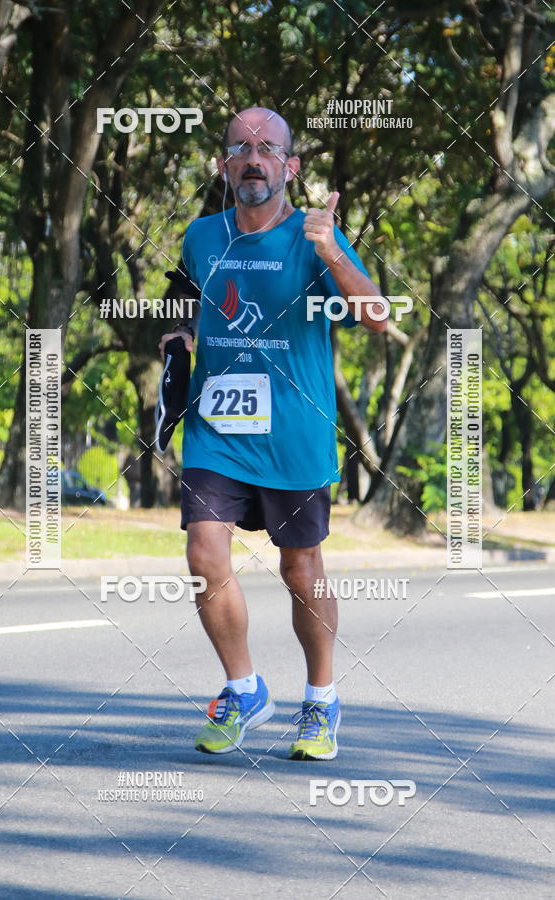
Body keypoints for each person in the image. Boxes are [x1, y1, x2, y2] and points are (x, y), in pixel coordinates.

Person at [159, 106, 386, 760]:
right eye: (241, 148)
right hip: (218, 429)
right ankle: (244, 690)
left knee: (300, 569)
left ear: (290, 166)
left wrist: (330, 249)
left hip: (295, 433)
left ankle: (321, 699)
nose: (253, 159)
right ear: (224, 165)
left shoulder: (314, 237)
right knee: (204, 552)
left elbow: (375, 315)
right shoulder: (201, 236)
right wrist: (177, 340)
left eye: (267, 149)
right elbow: (186, 300)